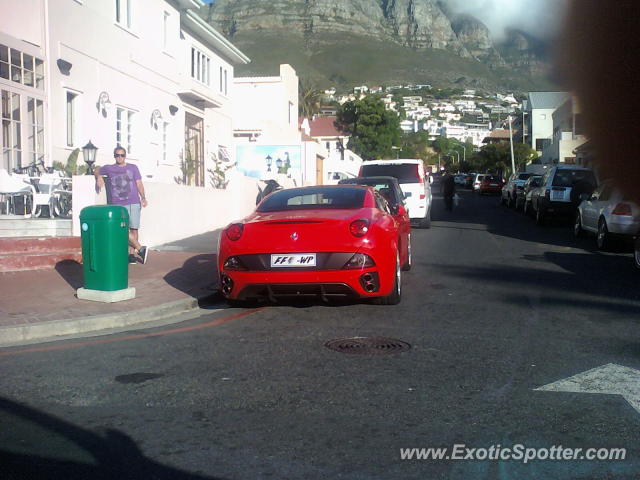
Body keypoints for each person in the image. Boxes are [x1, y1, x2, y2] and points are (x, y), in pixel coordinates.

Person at [94, 146, 149, 264]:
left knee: (134, 229)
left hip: (134, 202)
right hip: (118, 205)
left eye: (122, 155)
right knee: (123, 228)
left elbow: (139, 183)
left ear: (125, 156)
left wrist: (143, 197)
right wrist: (98, 177)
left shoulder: (133, 167)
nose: (120, 157)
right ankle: (140, 248)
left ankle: (132, 255)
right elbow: (97, 169)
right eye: (117, 155)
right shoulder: (109, 168)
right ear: (114, 156)